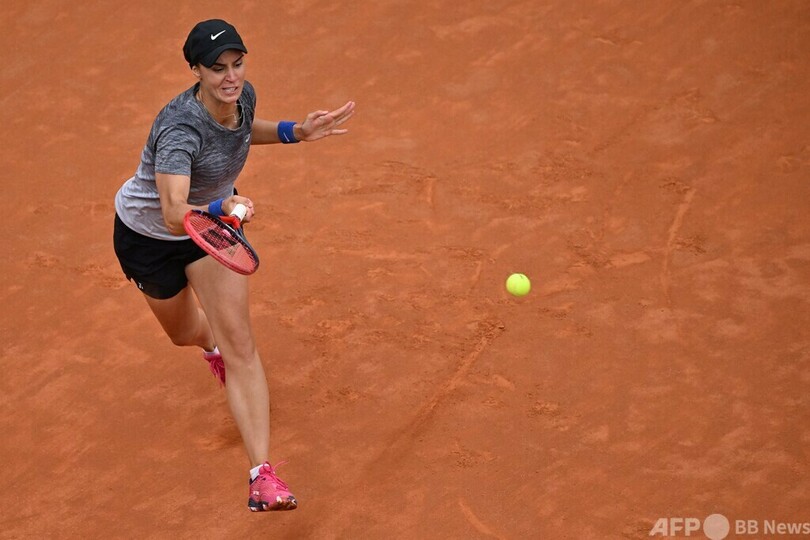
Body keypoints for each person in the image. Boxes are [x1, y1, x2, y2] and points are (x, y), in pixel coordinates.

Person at [113, 19, 355, 512]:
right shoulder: (179, 129)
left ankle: (261, 475)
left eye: (237, 64)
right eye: (218, 68)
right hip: (150, 238)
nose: (231, 76)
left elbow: (242, 134)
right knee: (184, 332)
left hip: (212, 233)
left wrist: (295, 132)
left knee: (242, 344)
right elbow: (173, 211)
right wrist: (224, 205)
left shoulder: (243, 97)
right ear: (196, 71)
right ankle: (210, 346)